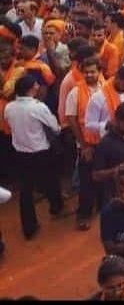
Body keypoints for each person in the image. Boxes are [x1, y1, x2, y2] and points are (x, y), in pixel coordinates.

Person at [5, 74, 63, 240]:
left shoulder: (9, 107)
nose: (38, 86)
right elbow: (54, 127)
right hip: (40, 151)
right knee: (51, 179)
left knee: (26, 190)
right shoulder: (38, 107)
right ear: (32, 88)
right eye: (36, 85)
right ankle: (56, 207)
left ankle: (29, 227)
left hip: (21, 153)